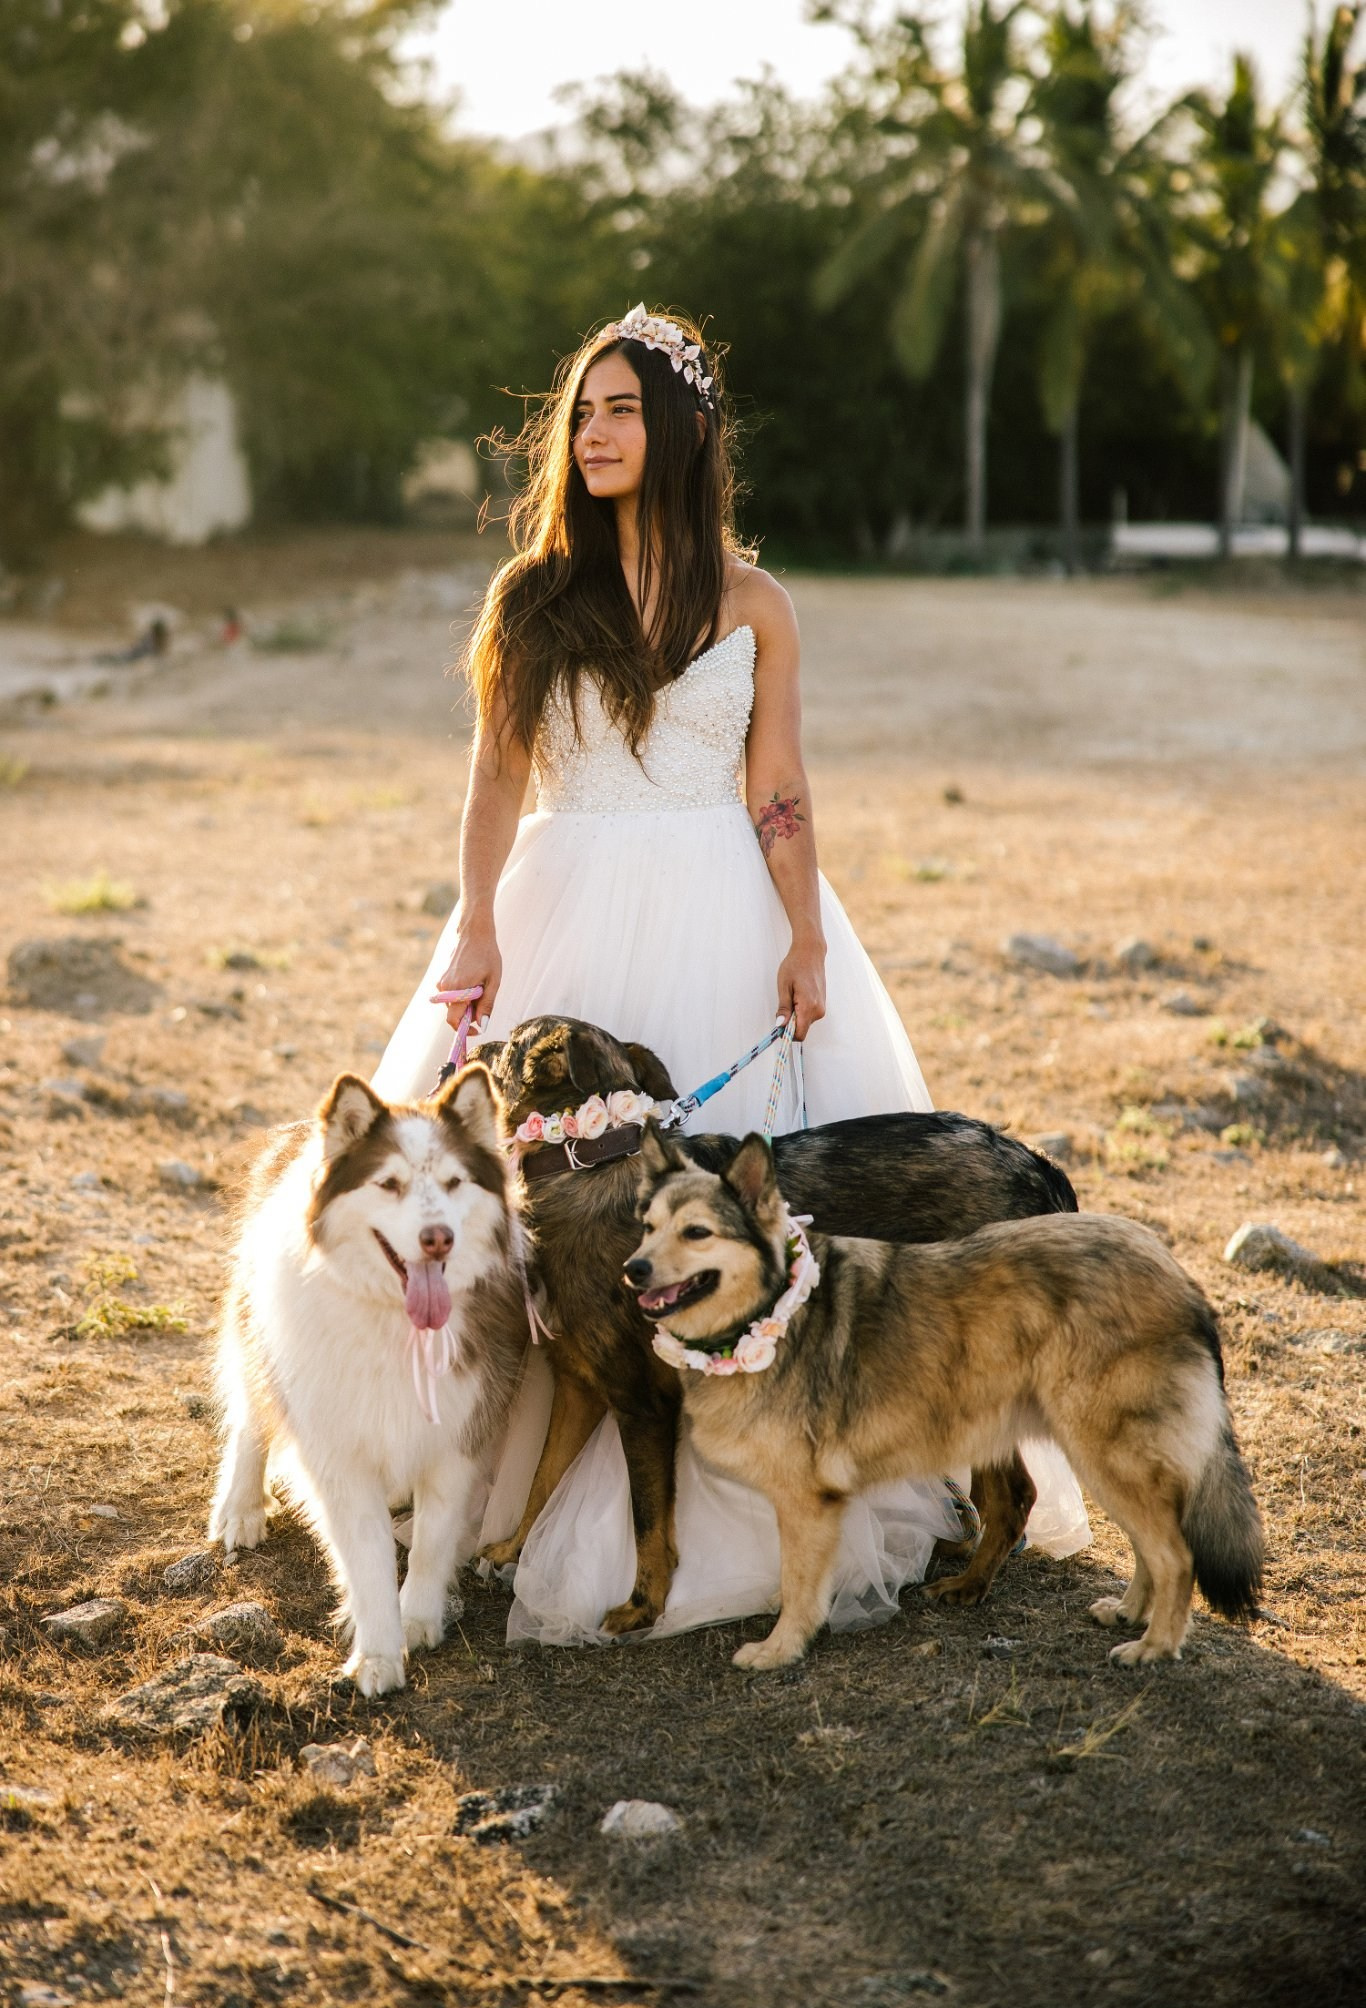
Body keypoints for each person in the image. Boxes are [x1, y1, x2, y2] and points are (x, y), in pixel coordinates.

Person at [373, 304, 1089, 1646]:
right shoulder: (534, 596)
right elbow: (495, 776)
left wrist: (804, 933)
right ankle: (481, 1483)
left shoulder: (755, 604)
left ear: (683, 430)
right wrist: (473, 923)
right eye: (582, 413)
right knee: (531, 1220)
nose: (592, 434)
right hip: (558, 901)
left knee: (740, 1208)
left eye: (621, 410)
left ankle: (754, 1490)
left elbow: (778, 786)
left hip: (722, 905)